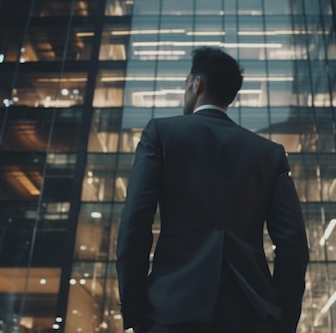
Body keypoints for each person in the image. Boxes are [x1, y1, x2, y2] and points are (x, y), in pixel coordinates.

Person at [116, 46, 309, 333]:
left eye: (186, 84)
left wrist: (136, 312)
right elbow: (293, 243)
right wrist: (282, 319)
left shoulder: (161, 134)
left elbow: (136, 222)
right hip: (251, 315)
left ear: (197, 83)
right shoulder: (269, 154)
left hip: (172, 312)